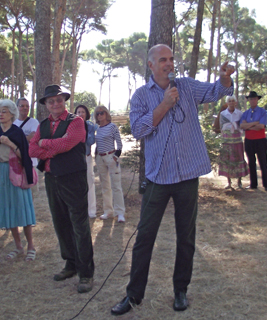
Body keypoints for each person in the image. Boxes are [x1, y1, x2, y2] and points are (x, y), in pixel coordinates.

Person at [111, 44, 235, 315]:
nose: (169, 63)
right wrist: (165, 104)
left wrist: (225, 78)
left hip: (188, 175)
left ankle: (181, 290)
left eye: (171, 58)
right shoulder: (142, 95)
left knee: (186, 236)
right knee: (144, 237)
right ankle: (133, 296)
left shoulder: (187, 86)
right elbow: (139, 129)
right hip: (158, 177)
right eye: (162, 60)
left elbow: (217, 91)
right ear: (151, 65)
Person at [29, 85, 94, 294]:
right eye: (50, 101)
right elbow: (32, 149)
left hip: (73, 179)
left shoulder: (76, 121)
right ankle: (71, 264)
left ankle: (86, 273)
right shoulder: (43, 124)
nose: (55, 104)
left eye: (58, 100)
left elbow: (66, 144)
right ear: (46, 105)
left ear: (64, 100)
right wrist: (48, 148)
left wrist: (45, 144)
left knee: (79, 226)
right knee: (61, 223)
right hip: (52, 179)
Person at [0, 99, 36, 262]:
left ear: (12, 114)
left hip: (17, 172)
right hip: (1, 172)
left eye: (4, 111)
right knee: (9, 210)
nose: (1, 114)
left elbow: (25, 157)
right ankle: (18, 246)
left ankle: (31, 246)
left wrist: (11, 144)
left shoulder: (16, 132)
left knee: (22, 209)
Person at [93, 106, 125, 222]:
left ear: (106, 114)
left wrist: (115, 158)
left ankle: (120, 213)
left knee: (116, 186)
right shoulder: (97, 128)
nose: (100, 115)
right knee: (105, 186)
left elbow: (119, 144)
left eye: (102, 113)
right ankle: (108, 211)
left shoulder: (112, 127)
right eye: (97, 114)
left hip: (111, 156)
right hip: (100, 158)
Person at [240, 91, 267, 191]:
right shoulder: (245, 113)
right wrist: (255, 123)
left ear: (257, 99)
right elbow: (242, 126)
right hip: (249, 141)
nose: (252, 100)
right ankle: (253, 184)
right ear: (248, 100)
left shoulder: (262, 112)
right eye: (250, 99)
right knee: (251, 163)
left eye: (254, 98)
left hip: (260, 140)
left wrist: (248, 126)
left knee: (263, 162)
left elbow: (261, 126)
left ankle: (266, 184)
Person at [218, 96, 249, 189]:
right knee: (228, 160)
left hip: (237, 141)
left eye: (233, 101)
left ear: (235, 102)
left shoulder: (239, 113)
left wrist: (235, 126)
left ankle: (239, 181)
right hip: (226, 141)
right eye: (229, 101)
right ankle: (229, 182)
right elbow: (221, 127)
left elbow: (242, 126)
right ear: (227, 103)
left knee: (238, 158)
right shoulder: (223, 114)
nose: (231, 103)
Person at [74, 104, 97, 218]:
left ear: (86, 114)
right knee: (77, 185)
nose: (80, 114)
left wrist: (84, 130)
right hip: (76, 159)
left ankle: (91, 211)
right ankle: (80, 210)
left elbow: (91, 141)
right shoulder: (72, 126)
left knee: (90, 183)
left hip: (87, 157)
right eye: (78, 112)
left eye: (83, 112)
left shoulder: (90, 126)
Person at [13, 97, 40, 197]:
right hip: (15, 163)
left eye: (27, 106)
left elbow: (33, 137)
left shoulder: (34, 122)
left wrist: (16, 139)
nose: (25, 108)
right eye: (22, 106)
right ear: (17, 108)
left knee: (31, 192)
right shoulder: (13, 123)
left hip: (31, 162)